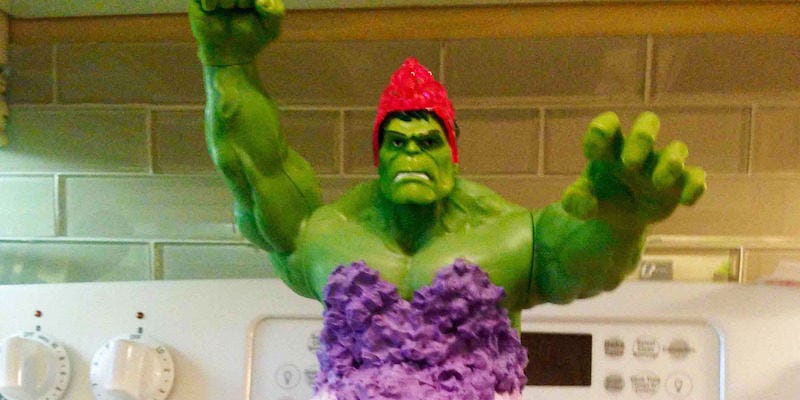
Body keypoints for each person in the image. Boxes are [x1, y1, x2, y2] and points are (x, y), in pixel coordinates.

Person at [188, 0, 705, 323]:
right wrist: (228, 64)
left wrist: (621, 222)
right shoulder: (322, 233)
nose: (412, 151)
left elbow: (574, 263)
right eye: (397, 142)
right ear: (378, 157)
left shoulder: (513, 236)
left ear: (452, 157)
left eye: (428, 141)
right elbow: (258, 168)